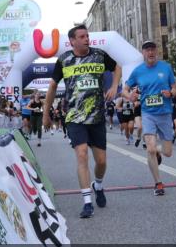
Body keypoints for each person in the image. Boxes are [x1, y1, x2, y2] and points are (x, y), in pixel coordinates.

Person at [43, 24, 121, 218]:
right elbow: (52, 87)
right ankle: (87, 202)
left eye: (87, 36)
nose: (87, 39)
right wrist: (46, 113)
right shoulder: (64, 60)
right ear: (72, 41)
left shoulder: (99, 55)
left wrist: (114, 86)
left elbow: (118, 67)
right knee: (82, 154)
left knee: (101, 161)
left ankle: (98, 185)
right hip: (75, 117)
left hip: (97, 116)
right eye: (82, 36)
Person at [123, 41, 176, 196]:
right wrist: (130, 96)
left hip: (165, 113)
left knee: (168, 152)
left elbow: (175, 87)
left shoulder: (166, 67)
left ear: (156, 51)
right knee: (151, 149)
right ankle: (158, 183)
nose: (151, 52)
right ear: (143, 53)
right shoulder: (138, 71)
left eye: (153, 49)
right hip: (148, 114)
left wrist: (171, 93)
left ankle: (159, 152)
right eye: (147, 50)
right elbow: (125, 90)